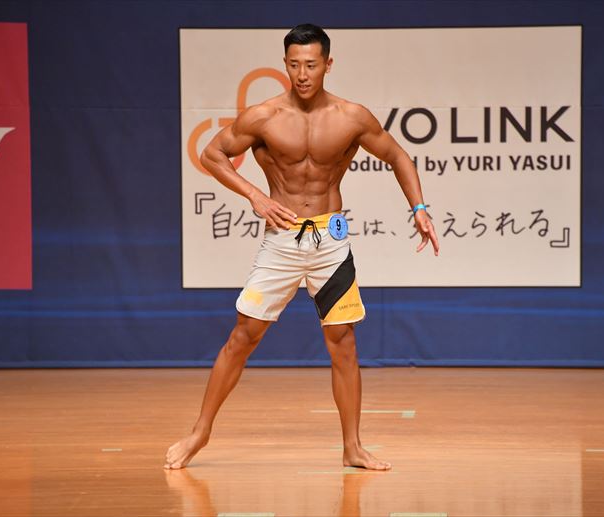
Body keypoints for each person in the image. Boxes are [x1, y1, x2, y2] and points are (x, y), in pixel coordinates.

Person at [164, 23, 439, 471]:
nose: (302, 74)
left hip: (330, 240)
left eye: (311, 65)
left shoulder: (351, 117)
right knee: (243, 336)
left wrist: (419, 208)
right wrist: (254, 195)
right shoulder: (264, 116)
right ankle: (200, 432)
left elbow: (397, 156)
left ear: (328, 64)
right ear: (285, 65)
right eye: (294, 65)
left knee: (343, 342)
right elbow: (212, 154)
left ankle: (352, 447)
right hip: (282, 238)